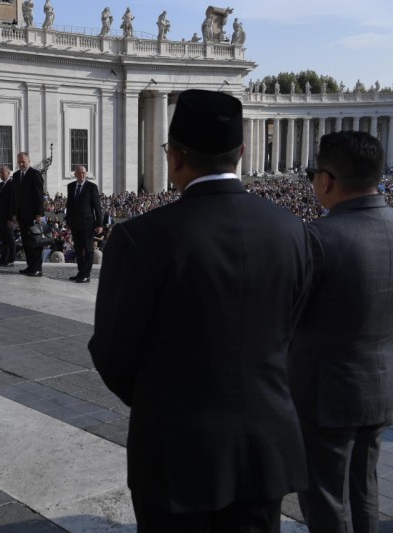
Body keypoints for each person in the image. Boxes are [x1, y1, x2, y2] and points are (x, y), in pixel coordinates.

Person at [89, 89, 311, 532]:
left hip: (175, 447)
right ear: (241, 152)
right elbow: (294, 327)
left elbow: (113, 354)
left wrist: (165, 398)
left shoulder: (138, 238)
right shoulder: (293, 229)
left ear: (174, 158)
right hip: (264, 447)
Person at [290, 131, 393, 533]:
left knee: (325, 497)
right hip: (381, 386)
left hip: (325, 394)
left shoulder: (317, 237)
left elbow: (287, 318)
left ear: (327, 180)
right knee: (365, 487)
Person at [65, 166, 102, 283]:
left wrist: (100, 224)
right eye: (79, 173)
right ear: (75, 174)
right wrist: (68, 221)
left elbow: (97, 207)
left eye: (83, 173)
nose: (81, 175)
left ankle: (86, 275)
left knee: (88, 250)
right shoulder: (71, 186)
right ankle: (80, 272)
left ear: (86, 174)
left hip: (88, 224)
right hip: (75, 224)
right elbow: (69, 205)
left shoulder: (92, 187)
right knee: (78, 249)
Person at [13, 152, 45, 277]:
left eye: (23, 161)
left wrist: (39, 214)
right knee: (26, 242)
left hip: (33, 215)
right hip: (21, 215)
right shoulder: (16, 175)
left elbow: (39, 195)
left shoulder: (35, 174)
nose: (21, 164)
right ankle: (30, 266)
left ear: (29, 161)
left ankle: (37, 268)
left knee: (35, 242)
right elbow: (15, 196)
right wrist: (14, 213)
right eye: (19, 162)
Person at [0, 165, 16, 266]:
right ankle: (4, 257)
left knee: (10, 238)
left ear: (8, 173)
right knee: (2, 238)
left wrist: (10, 218)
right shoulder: (0, 185)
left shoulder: (12, 184)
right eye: (0, 173)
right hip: (0, 217)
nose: (1, 174)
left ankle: (10, 259)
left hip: (7, 217)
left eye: (3, 173)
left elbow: (12, 202)